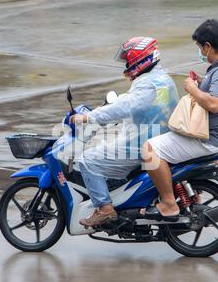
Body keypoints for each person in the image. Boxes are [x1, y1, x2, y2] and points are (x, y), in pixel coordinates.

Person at [69, 37, 178, 227]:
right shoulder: (161, 78)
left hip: (142, 142)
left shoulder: (146, 83)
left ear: (138, 59)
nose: (127, 66)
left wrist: (90, 117)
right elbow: (132, 104)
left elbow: (124, 106)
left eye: (128, 61)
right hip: (159, 136)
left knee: (87, 160)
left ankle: (104, 209)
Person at [142, 19, 218, 219]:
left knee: (149, 149)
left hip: (210, 139)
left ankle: (169, 203)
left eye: (200, 47)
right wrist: (202, 82)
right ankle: (190, 195)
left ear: (208, 46)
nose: (199, 51)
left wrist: (193, 89)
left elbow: (215, 104)